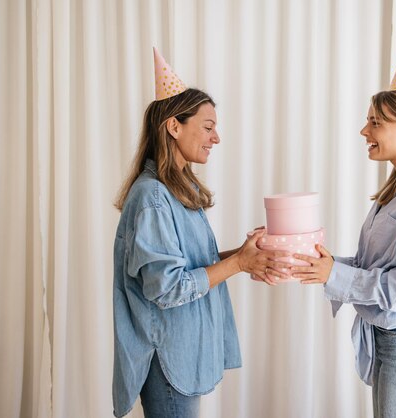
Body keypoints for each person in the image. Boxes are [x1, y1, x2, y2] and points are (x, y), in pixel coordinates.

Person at [111, 49, 290, 418]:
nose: (216, 138)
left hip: (183, 353)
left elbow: (189, 266)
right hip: (168, 360)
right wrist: (240, 263)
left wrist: (242, 255)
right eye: (208, 127)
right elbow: (167, 287)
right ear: (174, 126)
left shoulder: (176, 191)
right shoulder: (153, 198)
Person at [291, 56, 396, 418]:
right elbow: (377, 268)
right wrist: (325, 264)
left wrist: (335, 275)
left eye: (375, 122)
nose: (364, 131)